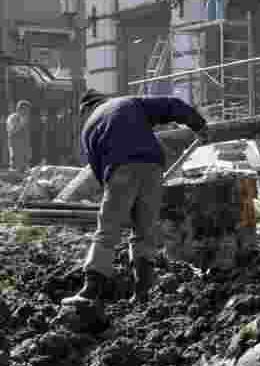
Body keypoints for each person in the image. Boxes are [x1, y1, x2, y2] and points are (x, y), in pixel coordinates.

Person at [62, 90, 208, 311]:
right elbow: (172, 105)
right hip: (153, 165)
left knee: (108, 230)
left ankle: (90, 289)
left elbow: (98, 170)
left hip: (119, 168)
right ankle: (143, 292)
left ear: (87, 109)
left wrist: (115, 197)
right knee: (144, 230)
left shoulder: (89, 126)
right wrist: (199, 125)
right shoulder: (129, 103)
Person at [6, 100, 32, 171]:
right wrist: (21, 123)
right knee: (15, 169)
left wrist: (28, 149)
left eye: (28, 110)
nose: (27, 111)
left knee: (25, 171)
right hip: (16, 149)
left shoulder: (26, 119)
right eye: (25, 109)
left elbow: (26, 136)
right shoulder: (12, 118)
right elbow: (12, 131)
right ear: (19, 109)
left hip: (24, 151)